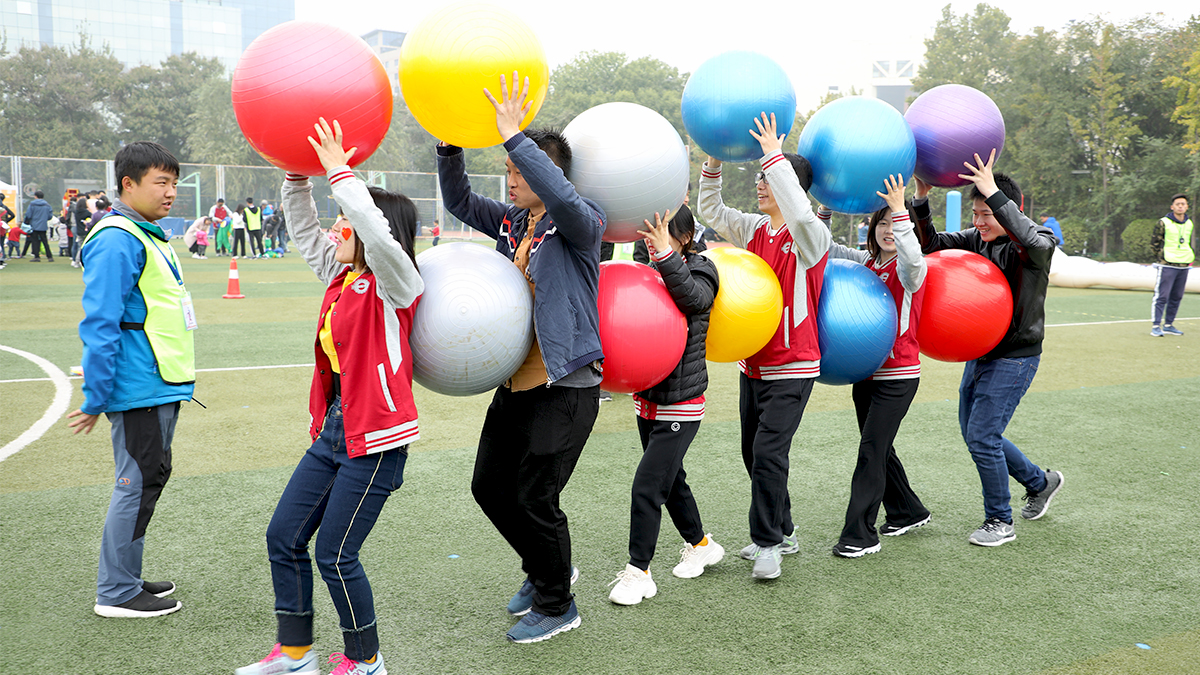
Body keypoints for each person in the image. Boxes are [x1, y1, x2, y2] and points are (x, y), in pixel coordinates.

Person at [235, 119, 423, 675]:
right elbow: (306, 233)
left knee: (336, 556)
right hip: (336, 430)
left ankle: (365, 662)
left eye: (345, 219)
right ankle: (295, 654)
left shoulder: (397, 282)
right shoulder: (342, 279)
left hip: (378, 439)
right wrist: (297, 177)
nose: (337, 226)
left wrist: (342, 172)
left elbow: (372, 228)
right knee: (283, 536)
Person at [438, 72, 605, 644]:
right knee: (489, 487)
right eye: (507, 171)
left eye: (517, 171)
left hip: (566, 385)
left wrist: (514, 137)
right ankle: (546, 570)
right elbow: (459, 200)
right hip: (514, 384)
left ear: (544, 172)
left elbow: (560, 195)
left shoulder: (583, 225)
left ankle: (558, 603)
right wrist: (448, 142)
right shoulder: (515, 222)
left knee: (536, 496)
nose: (509, 180)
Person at [697, 113, 830, 580]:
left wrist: (775, 154)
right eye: (758, 177)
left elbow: (797, 209)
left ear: (789, 184)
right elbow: (711, 212)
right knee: (752, 452)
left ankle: (767, 543)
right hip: (752, 363)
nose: (760, 185)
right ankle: (785, 529)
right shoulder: (754, 228)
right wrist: (713, 161)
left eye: (768, 179)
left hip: (793, 365)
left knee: (770, 452)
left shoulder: (813, 234)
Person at [67, 141, 193, 618]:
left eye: (173, 182)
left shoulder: (146, 234)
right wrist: (97, 396)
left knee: (148, 478)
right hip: (139, 384)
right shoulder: (118, 238)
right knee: (136, 482)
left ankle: (126, 577)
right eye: (161, 182)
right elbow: (101, 323)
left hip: (157, 381)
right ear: (128, 184)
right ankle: (116, 592)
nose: (170, 192)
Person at [915, 150, 1065, 547]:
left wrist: (992, 192)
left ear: (1007, 208)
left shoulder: (1038, 245)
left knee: (982, 435)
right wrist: (920, 200)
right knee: (976, 432)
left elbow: (1029, 236)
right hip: (981, 350)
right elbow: (931, 247)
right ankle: (1041, 482)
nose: (979, 222)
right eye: (975, 214)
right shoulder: (976, 240)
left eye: (987, 213)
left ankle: (1000, 521)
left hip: (1015, 357)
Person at [606, 204, 725, 606]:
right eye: (649, 233)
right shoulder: (648, 268)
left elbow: (693, 299)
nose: (652, 240)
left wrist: (663, 254)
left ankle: (639, 573)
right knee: (670, 482)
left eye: (663, 232)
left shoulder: (703, 269)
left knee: (646, 487)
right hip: (647, 397)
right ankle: (702, 544)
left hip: (681, 402)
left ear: (685, 238)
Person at [815, 176, 931, 558]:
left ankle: (860, 535)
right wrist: (824, 208)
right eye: (881, 223)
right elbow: (824, 247)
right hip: (864, 372)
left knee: (871, 449)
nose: (887, 231)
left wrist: (901, 211)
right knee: (879, 446)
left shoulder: (910, 271)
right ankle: (907, 510)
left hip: (897, 376)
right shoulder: (864, 263)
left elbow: (914, 258)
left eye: (894, 224)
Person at [1150, 193, 1193, 337]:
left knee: (1177, 296)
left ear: (1187, 206)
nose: (1180, 206)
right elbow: (1154, 243)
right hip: (1167, 265)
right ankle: (1156, 326)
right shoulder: (1163, 222)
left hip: (1184, 265)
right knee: (1162, 296)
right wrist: (1161, 258)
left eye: (1183, 204)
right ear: (1172, 207)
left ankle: (1168, 325)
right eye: (1178, 204)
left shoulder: (1189, 223)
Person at [22, 190, 55, 261]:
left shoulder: (32, 204)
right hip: (43, 225)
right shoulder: (47, 205)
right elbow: (50, 216)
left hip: (34, 225)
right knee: (45, 241)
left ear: (35, 196)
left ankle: (36, 256)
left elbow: (28, 214)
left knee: (35, 241)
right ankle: (49, 256)